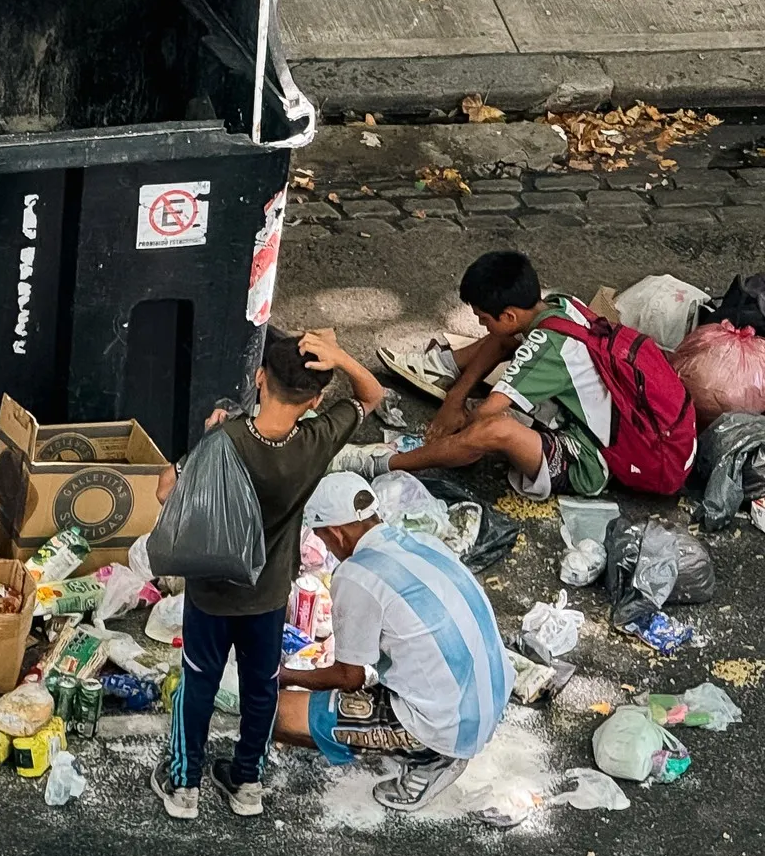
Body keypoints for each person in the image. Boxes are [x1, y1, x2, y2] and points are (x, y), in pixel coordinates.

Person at [150, 328, 386, 821]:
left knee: (198, 684)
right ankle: (247, 783)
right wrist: (340, 356)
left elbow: (165, 490)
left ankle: (185, 785)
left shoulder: (226, 439)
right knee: (262, 687)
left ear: (260, 378)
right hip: (270, 594)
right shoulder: (318, 440)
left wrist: (207, 441)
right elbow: (371, 395)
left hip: (212, 595)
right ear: (315, 400)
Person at [277, 473, 513, 810]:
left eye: (323, 538)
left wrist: (285, 675)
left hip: (448, 724)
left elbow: (349, 678)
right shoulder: (423, 542)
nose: (327, 548)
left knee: (273, 714)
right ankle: (436, 740)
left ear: (336, 533)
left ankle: (432, 757)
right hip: (491, 697)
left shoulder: (356, 574)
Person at [362, 251, 608, 499]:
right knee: (504, 337)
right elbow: (502, 339)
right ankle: (444, 369)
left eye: (483, 318)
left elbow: (486, 413)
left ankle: (385, 462)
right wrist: (455, 398)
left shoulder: (547, 347)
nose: (482, 325)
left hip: (587, 459)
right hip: (581, 418)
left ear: (509, 315)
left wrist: (457, 430)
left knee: (494, 429)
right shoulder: (561, 304)